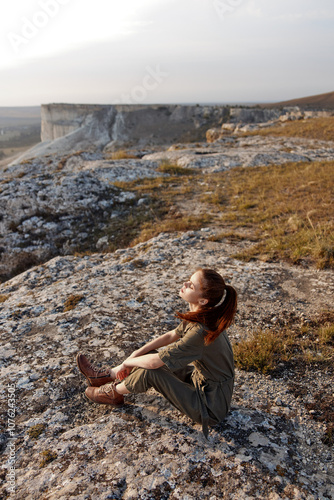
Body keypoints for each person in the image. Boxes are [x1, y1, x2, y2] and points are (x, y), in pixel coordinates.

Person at [76, 268, 237, 437]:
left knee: (150, 371)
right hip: (200, 382)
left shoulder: (200, 332)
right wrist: (135, 354)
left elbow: (154, 364)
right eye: (188, 280)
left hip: (209, 406)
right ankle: (107, 375)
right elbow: (171, 335)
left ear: (203, 300)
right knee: (148, 355)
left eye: (191, 285)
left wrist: (126, 363)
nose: (185, 284)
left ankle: (112, 393)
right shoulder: (203, 316)